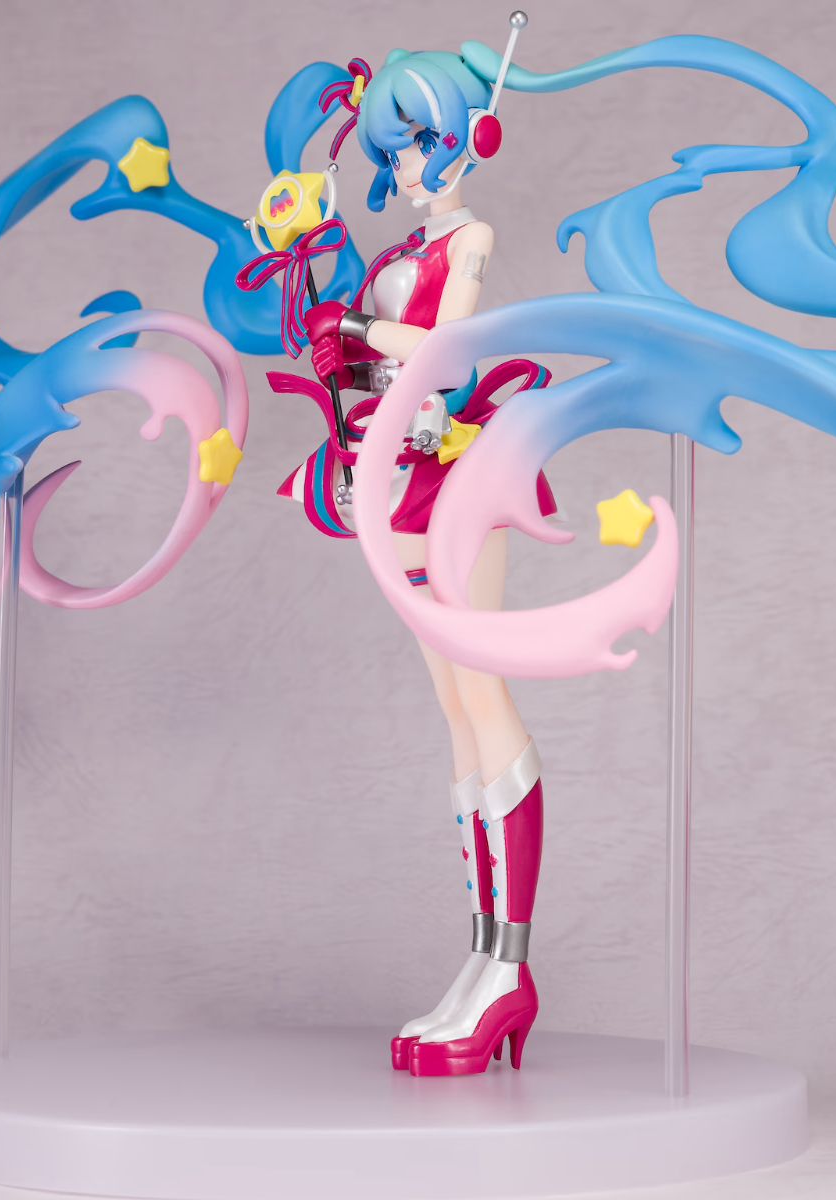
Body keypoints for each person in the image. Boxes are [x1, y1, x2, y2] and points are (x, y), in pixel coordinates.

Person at [282, 48, 549, 1077]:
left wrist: (358, 325)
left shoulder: (471, 237)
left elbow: (448, 345)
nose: (401, 165)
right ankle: (480, 960)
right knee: (451, 706)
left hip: (463, 469)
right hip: (403, 471)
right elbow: (388, 361)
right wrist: (338, 347)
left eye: (413, 145)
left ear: (463, 140)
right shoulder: (403, 245)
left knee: (481, 691)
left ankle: (509, 967)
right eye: (391, 149)